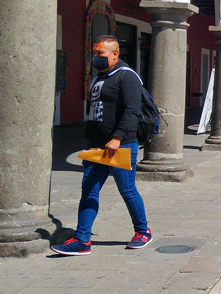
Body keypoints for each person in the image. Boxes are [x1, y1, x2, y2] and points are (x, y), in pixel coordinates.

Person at [51, 36, 151, 255]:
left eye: (100, 54)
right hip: (96, 146)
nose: (96, 57)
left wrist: (117, 137)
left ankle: (143, 231)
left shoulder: (127, 77)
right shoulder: (100, 77)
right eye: (94, 53)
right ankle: (82, 239)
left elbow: (132, 110)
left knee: (127, 190)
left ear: (115, 54)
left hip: (121, 145)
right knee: (89, 191)